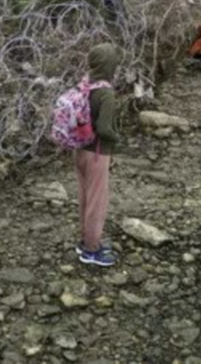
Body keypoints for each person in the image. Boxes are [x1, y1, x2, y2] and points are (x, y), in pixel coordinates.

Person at [74, 43, 122, 267]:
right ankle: (92, 250)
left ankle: (84, 239)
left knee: (84, 197)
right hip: (98, 154)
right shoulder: (106, 93)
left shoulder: (85, 85)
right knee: (97, 202)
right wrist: (118, 139)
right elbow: (104, 129)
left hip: (80, 150)